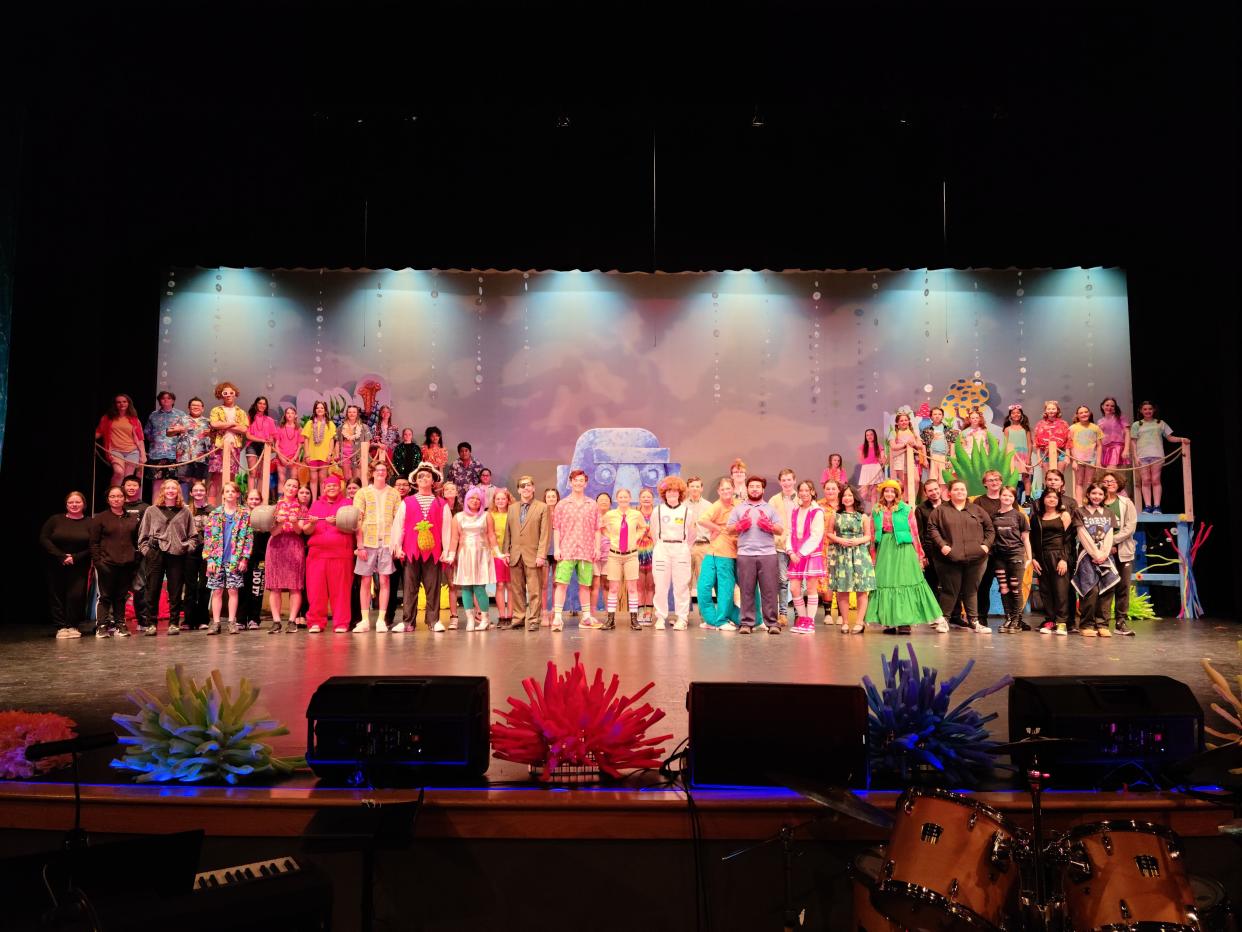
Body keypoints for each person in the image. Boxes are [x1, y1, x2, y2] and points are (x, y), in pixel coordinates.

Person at [866, 480, 945, 633]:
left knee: (905, 581)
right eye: (886, 491)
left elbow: (914, 533)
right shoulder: (877, 509)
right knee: (886, 582)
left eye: (892, 491)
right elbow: (872, 534)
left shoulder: (905, 509)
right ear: (882, 493)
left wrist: (919, 555)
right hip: (885, 549)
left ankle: (905, 622)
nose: (889, 494)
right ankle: (890, 621)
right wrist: (873, 556)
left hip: (903, 548)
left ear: (897, 494)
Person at [391, 465, 454, 633]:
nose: (423, 479)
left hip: (433, 552)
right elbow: (399, 526)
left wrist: (446, 551)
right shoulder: (407, 502)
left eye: (426, 476)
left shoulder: (442, 504)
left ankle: (433, 621)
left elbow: (446, 529)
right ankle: (407, 622)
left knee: (433, 587)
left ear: (433, 481)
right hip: (411, 551)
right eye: (420, 477)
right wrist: (398, 547)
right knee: (410, 588)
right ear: (415, 481)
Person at [927, 479, 995, 634]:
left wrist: (985, 546)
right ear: (949, 493)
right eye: (956, 489)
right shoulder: (940, 511)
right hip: (948, 559)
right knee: (950, 590)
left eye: (962, 489)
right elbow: (932, 529)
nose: (960, 492)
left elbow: (990, 529)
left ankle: (974, 621)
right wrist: (943, 546)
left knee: (971, 590)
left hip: (976, 558)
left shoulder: (976, 510)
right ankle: (944, 620)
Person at [137, 479, 198, 635]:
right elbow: (142, 536)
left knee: (175, 590)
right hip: (155, 553)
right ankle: (151, 624)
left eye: (174, 488)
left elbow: (193, 536)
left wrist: (187, 547)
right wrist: (147, 551)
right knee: (152, 589)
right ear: (162, 491)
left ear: (178, 492)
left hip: (177, 554)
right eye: (167, 488)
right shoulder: (152, 510)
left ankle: (173, 623)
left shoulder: (185, 511)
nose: (171, 491)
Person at [727, 476, 784, 635]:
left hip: (768, 554)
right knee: (746, 590)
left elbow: (780, 529)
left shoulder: (770, 509)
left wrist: (769, 526)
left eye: (757, 486)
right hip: (745, 554)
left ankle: (772, 623)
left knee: (770, 590)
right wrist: (739, 526)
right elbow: (729, 529)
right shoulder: (739, 508)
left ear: (763, 489)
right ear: (747, 489)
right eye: (751, 486)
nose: (754, 489)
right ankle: (746, 623)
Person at [351, 461, 400, 633]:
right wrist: (360, 544)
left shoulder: (394, 493)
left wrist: (396, 545)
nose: (381, 472)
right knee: (365, 579)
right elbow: (357, 519)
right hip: (368, 542)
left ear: (387, 473)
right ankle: (364, 620)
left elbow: (398, 520)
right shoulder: (362, 493)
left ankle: (381, 619)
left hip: (387, 542)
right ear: (372, 473)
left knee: (385, 580)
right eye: (378, 470)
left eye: (384, 470)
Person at [551, 469, 600, 633]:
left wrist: (597, 548)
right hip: (567, 549)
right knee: (562, 583)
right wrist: (557, 548)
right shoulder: (562, 505)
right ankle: (557, 617)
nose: (578, 483)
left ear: (585, 483)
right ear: (570, 482)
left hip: (586, 550)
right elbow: (556, 528)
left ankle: (586, 617)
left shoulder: (592, 504)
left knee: (585, 585)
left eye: (581, 480)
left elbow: (597, 529)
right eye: (575, 480)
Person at [303, 474, 354, 633]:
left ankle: (341, 623)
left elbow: (353, 528)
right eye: (328, 486)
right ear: (324, 488)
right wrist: (311, 523)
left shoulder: (348, 504)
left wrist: (337, 523)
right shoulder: (316, 505)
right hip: (317, 555)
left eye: (334, 485)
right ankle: (316, 622)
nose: (331, 488)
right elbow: (306, 530)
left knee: (341, 591)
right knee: (316, 590)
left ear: (340, 488)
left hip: (340, 554)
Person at [202, 480, 253, 635]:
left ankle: (232, 621)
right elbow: (208, 538)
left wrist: (244, 558)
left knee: (233, 590)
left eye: (233, 491)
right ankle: (216, 622)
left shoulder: (244, 514)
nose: (230, 494)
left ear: (238, 494)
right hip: (217, 559)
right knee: (217, 591)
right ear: (223, 495)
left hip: (234, 559)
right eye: (227, 491)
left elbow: (249, 538)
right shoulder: (215, 514)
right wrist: (209, 559)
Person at [500, 476, 549, 632]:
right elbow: (508, 532)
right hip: (515, 554)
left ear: (533, 488)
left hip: (533, 555)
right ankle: (518, 618)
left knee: (534, 590)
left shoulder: (542, 507)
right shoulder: (512, 508)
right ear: (518, 489)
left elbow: (545, 534)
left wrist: (541, 555)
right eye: (523, 486)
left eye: (529, 485)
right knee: (517, 589)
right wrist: (506, 552)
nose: (526, 488)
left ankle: (534, 619)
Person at [41, 491, 92, 638]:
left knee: (76, 595)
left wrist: (75, 557)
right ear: (66, 504)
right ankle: (61, 627)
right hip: (56, 563)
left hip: (80, 564)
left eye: (77, 502)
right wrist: (61, 556)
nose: (74, 505)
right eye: (71, 502)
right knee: (56, 594)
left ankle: (73, 625)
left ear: (84, 504)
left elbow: (93, 544)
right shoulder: (55, 520)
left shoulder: (90, 522)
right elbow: (44, 539)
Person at [90, 486, 140, 638]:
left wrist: (134, 560)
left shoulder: (131, 518)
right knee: (105, 596)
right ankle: (102, 626)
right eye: (113, 496)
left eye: (119, 496)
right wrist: (99, 562)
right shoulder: (100, 518)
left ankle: (120, 624)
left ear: (124, 498)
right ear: (108, 499)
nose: (116, 499)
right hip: (106, 563)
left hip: (126, 564)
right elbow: (94, 543)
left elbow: (136, 541)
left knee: (121, 596)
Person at [826, 483, 876, 634]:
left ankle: (859, 622)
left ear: (855, 498)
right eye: (845, 496)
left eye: (850, 495)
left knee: (861, 589)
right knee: (842, 589)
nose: (847, 498)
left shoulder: (863, 517)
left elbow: (868, 536)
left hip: (859, 554)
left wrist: (858, 541)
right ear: (841, 499)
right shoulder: (835, 515)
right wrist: (839, 540)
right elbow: (829, 533)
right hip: (841, 554)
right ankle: (845, 622)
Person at [1074, 482, 1121, 636]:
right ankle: (1086, 625)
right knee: (1090, 589)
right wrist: (1095, 554)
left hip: (1104, 555)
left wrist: (1104, 554)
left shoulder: (1108, 513)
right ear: (1088, 494)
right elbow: (1082, 534)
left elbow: (1109, 535)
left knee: (1107, 588)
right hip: (1087, 555)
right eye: (1094, 493)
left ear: (1104, 496)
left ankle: (1102, 625)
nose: (1097, 496)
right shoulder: (1080, 512)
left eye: (1100, 494)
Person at [265, 476, 308, 633]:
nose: (291, 488)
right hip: (276, 547)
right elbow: (273, 532)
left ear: (297, 490)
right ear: (284, 487)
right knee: (275, 586)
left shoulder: (302, 508)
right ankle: (276, 621)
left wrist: (295, 521)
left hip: (294, 546)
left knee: (295, 586)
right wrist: (282, 522)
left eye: (294, 486)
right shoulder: (274, 507)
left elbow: (299, 531)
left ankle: (292, 620)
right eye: (289, 485)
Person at [696, 477, 741, 631]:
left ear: (733, 489)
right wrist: (718, 528)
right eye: (723, 489)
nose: (726, 491)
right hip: (714, 551)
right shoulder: (716, 506)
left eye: (728, 488)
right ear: (718, 491)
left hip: (730, 552)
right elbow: (702, 520)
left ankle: (727, 619)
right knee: (704, 586)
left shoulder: (739, 505)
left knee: (726, 588)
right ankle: (713, 620)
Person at [452, 486, 498, 631]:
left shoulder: (486, 516)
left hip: (481, 553)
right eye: (472, 498)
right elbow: (455, 538)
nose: (475, 501)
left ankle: (484, 619)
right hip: (465, 553)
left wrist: (497, 551)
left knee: (479, 587)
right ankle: (470, 620)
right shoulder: (458, 517)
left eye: (478, 499)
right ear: (466, 500)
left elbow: (491, 535)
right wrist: (450, 555)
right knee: (466, 587)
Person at [651, 475, 693, 631]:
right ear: (664, 494)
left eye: (675, 491)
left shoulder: (687, 511)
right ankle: (661, 617)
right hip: (662, 549)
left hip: (681, 549)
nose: (672, 494)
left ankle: (682, 618)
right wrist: (661, 546)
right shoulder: (658, 510)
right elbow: (653, 532)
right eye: (668, 492)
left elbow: (692, 533)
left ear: (680, 493)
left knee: (681, 586)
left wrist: (684, 547)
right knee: (661, 585)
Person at [1130, 400, 1188, 513]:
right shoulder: (1136, 425)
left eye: (1150, 409)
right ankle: (1147, 506)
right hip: (1142, 456)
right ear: (1141, 411)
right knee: (1145, 480)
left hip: (1157, 455)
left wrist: (1182, 439)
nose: (1148, 411)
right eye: (1145, 409)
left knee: (1156, 480)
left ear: (1154, 410)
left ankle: (1157, 506)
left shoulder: (1160, 423)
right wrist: (1135, 457)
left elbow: (1170, 438)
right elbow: (1133, 442)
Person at [990, 486, 1033, 633]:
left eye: (1010, 496)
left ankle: (1017, 619)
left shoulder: (1019, 516)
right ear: (1000, 497)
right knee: (1004, 588)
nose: (1007, 498)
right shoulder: (994, 516)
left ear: (1014, 498)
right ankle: (1008, 618)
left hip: (1016, 555)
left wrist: (1030, 557)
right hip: (999, 557)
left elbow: (1026, 539)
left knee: (1015, 588)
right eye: (1005, 495)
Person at [1030, 488, 1074, 635]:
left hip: (1059, 555)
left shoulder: (1064, 515)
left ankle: (1062, 622)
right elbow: (1033, 539)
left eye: (1055, 497)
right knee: (1045, 590)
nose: (1052, 500)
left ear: (1058, 500)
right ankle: (1050, 620)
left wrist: (1064, 559)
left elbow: (1068, 539)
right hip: (1042, 557)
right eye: (1048, 497)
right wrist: (1034, 558)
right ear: (1043, 499)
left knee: (1061, 591)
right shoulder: (1036, 517)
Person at [1099, 471, 1137, 636]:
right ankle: (1102, 623)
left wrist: (1113, 541)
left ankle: (1121, 622)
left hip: (1123, 551)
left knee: (1123, 587)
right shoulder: (1097, 502)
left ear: (1118, 484)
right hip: (1102, 552)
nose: (1109, 484)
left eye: (1112, 481)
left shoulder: (1126, 502)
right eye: (1106, 481)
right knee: (1106, 587)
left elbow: (1130, 527)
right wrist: (1106, 545)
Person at [788, 479, 828, 634]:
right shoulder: (795, 510)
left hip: (810, 553)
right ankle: (802, 619)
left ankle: (810, 622)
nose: (804, 493)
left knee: (811, 587)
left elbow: (816, 535)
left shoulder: (817, 511)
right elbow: (790, 532)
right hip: (796, 554)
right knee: (794, 588)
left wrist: (801, 553)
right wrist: (790, 551)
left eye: (807, 490)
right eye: (801, 490)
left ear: (812, 492)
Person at [208, 382, 250, 504]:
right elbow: (214, 424)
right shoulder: (216, 410)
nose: (228, 395)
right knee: (215, 477)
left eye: (231, 393)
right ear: (221, 395)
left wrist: (225, 426)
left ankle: (230, 505)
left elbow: (244, 429)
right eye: (225, 393)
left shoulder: (241, 412)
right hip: (218, 446)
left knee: (231, 477)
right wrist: (233, 424)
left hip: (234, 447)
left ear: (235, 394)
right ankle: (211, 507)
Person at [182, 480, 214, 631]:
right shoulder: (186, 510)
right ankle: (188, 619)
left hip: (207, 553)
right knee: (190, 586)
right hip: (190, 552)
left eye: (201, 490)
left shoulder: (212, 511)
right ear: (191, 493)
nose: (199, 493)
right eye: (196, 490)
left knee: (204, 586)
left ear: (205, 492)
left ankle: (203, 619)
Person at [96, 394, 146, 487]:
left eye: (124, 401)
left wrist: (143, 455)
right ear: (115, 404)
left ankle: (125, 500)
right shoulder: (107, 418)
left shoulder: (134, 419)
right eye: (118, 402)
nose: (121, 404)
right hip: (115, 451)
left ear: (128, 403)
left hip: (132, 452)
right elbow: (99, 432)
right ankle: (113, 495)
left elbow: (140, 439)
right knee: (119, 473)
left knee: (128, 478)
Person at [769, 468, 799, 626]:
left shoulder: (801, 497)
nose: (787, 483)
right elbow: (769, 521)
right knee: (782, 580)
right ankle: (782, 614)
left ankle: (799, 613)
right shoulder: (774, 500)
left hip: (797, 547)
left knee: (797, 580)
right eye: (784, 480)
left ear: (794, 480)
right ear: (780, 482)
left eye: (789, 479)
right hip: (780, 546)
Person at [144, 391, 185, 500]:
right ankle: (156, 509)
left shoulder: (180, 415)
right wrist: (156, 442)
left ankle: (173, 507)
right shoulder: (153, 415)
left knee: (173, 483)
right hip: (156, 454)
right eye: (163, 398)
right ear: (159, 401)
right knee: (157, 481)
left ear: (173, 401)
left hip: (174, 453)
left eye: (169, 398)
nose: (166, 400)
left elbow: (186, 432)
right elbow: (147, 432)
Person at [120, 476, 150, 624]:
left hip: (140, 554)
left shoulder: (145, 508)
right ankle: (115, 621)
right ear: (123, 487)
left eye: (134, 485)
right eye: (128, 485)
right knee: (119, 588)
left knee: (141, 587)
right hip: (119, 553)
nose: (131, 488)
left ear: (139, 488)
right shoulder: (117, 506)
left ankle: (143, 621)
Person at [169, 397, 212, 500]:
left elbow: (215, 437)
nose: (196, 407)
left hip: (202, 456)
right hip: (184, 456)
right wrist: (177, 429)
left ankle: (197, 508)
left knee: (198, 482)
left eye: (198, 406)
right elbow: (168, 432)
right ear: (189, 407)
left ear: (202, 408)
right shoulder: (181, 419)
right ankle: (183, 506)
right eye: (193, 405)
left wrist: (211, 433)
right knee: (184, 480)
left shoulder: (208, 421)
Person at [238, 488, 269, 630]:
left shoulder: (266, 516)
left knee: (257, 589)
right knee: (242, 588)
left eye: (257, 499)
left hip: (260, 558)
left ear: (261, 501)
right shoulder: (241, 516)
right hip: (243, 559)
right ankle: (241, 619)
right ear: (246, 500)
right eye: (251, 499)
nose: (254, 501)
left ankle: (254, 619)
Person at [383, 476, 412, 629]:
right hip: (391, 549)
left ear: (409, 487)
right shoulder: (388, 503)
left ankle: (409, 619)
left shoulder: (412, 502)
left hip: (409, 549)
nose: (401, 487)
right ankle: (388, 618)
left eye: (405, 485)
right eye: (398, 485)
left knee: (409, 586)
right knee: (391, 584)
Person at [816, 479, 843, 627]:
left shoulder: (845, 504)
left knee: (840, 578)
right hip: (824, 547)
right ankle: (827, 614)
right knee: (826, 579)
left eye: (833, 489)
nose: (830, 491)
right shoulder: (818, 506)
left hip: (841, 546)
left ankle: (840, 613)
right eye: (828, 489)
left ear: (838, 490)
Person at [684, 477, 712, 617]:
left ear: (701, 488)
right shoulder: (681, 505)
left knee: (703, 583)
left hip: (703, 546)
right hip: (686, 547)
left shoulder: (709, 506)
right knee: (684, 582)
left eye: (697, 486)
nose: (694, 489)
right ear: (688, 488)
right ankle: (683, 616)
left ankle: (705, 616)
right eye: (692, 486)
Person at [1032, 400, 1070, 497]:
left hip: (1060, 453)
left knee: (1059, 475)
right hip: (1045, 453)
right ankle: (1049, 497)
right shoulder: (1040, 424)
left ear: (1057, 410)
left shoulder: (1063, 424)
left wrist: (1067, 456)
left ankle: (1061, 497)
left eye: (1053, 408)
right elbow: (1037, 443)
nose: (1051, 410)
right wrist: (1039, 457)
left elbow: (1068, 441)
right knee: (1048, 476)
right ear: (1045, 410)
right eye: (1049, 409)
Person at [585, 491, 613, 626]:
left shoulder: (614, 517)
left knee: (607, 585)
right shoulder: (591, 517)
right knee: (594, 585)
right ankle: (592, 614)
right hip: (594, 555)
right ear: (596, 502)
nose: (603, 501)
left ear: (610, 503)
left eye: (606, 500)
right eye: (600, 499)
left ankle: (610, 615)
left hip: (610, 554)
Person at [1068, 405, 1104, 505]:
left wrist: (1098, 461)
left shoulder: (1095, 427)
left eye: (1086, 412)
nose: (1084, 414)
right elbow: (1070, 445)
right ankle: (1079, 505)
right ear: (1077, 415)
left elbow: (1099, 446)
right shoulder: (1072, 428)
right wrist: (1074, 460)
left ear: (1089, 413)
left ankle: (1087, 503)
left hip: (1091, 459)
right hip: (1078, 459)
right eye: (1081, 413)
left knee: (1089, 483)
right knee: (1079, 482)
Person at [301, 400, 337, 501]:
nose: (319, 410)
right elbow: (306, 439)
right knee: (313, 479)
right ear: (315, 410)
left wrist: (330, 454)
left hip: (324, 455)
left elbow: (331, 440)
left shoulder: (330, 424)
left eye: (322, 408)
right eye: (317, 408)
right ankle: (313, 502)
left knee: (323, 479)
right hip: (312, 455)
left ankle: (322, 500)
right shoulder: (310, 423)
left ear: (325, 410)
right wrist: (307, 454)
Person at [489, 487, 514, 627]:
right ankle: (502, 616)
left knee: (510, 585)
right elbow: (489, 534)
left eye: (503, 498)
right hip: (496, 553)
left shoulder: (512, 513)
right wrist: (497, 552)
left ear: (508, 500)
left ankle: (510, 615)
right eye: (497, 499)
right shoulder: (490, 515)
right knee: (499, 585)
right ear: (494, 501)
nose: (500, 501)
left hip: (510, 553)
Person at [244, 396, 278, 495]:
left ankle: (259, 497)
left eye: (264, 404)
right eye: (260, 403)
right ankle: (250, 497)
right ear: (256, 404)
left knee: (262, 474)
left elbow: (273, 435)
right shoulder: (249, 417)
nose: (262, 405)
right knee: (253, 472)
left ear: (266, 406)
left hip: (265, 447)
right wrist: (261, 439)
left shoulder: (270, 420)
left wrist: (270, 440)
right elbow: (248, 435)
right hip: (252, 445)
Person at [440, 480, 463, 626]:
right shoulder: (439, 507)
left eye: (452, 489)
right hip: (445, 551)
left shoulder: (462, 509)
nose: (449, 491)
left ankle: (477, 615)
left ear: (456, 492)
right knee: (452, 584)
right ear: (443, 492)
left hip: (462, 550)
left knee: (469, 584)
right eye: (446, 489)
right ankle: (453, 616)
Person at [888, 411, 927, 497]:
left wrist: (914, 444)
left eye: (906, 420)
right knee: (905, 482)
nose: (904, 422)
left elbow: (920, 445)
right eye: (901, 420)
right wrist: (906, 444)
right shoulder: (894, 433)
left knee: (916, 480)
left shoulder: (913, 432)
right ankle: (906, 501)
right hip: (899, 459)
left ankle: (912, 499)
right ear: (897, 422)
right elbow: (893, 446)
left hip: (910, 459)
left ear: (909, 421)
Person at [920, 408, 959, 485]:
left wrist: (951, 458)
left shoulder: (948, 429)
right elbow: (923, 445)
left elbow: (952, 444)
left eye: (939, 414)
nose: (937, 416)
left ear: (942, 416)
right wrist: (925, 459)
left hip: (944, 457)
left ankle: (944, 497)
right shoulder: (926, 430)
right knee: (932, 480)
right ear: (931, 417)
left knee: (944, 480)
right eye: (935, 414)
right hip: (932, 457)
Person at [635, 487, 657, 625]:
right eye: (643, 497)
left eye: (648, 497)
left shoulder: (657, 513)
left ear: (653, 499)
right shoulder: (634, 514)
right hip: (637, 552)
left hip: (654, 552)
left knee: (650, 585)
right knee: (638, 586)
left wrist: (649, 534)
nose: (646, 499)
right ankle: (639, 613)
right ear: (639, 499)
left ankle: (648, 613)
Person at [1002, 405, 1033, 501]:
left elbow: (1030, 444)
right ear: (1010, 416)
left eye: (1018, 412)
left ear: (1021, 414)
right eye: (1013, 413)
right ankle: (1012, 498)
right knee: (1012, 477)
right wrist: (1005, 459)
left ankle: (1027, 499)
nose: (1016, 414)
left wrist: (1029, 457)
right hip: (1012, 456)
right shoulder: (1007, 429)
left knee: (1026, 477)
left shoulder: (1026, 428)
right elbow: (1005, 445)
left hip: (1023, 455)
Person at [338, 404, 372, 486]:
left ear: (357, 414)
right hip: (345, 455)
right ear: (347, 413)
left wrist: (363, 456)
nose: (352, 414)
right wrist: (337, 454)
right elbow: (337, 442)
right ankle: (348, 497)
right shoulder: (341, 427)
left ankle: (357, 497)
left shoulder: (364, 427)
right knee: (347, 478)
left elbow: (368, 442)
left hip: (358, 454)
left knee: (357, 479)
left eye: (354, 412)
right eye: (349, 412)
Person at [273, 406, 303, 489]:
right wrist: (281, 458)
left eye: (292, 413)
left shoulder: (299, 429)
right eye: (288, 413)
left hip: (294, 458)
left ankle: (293, 500)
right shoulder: (280, 428)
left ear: (295, 415)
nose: (290, 415)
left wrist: (294, 458)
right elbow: (276, 445)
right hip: (281, 457)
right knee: (282, 479)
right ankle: (280, 500)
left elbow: (300, 445)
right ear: (285, 415)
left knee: (294, 480)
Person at [1098, 397, 1132, 471]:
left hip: (1116, 448)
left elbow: (1127, 433)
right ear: (1102, 406)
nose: (1109, 407)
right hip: (1105, 450)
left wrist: (1126, 449)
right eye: (1107, 405)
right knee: (1110, 475)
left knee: (1111, 472)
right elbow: (1099, 440)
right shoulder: (1100, 421)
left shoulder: (1120, 418)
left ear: (1115, 407)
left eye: (1112, 406)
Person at [857, 428, 886, 508]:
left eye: (871, 434)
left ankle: (873, 513)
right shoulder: (862, 447)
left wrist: (882, 459)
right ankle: (859, 509)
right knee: (864, 493)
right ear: (865, 437)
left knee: (874, 493)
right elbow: (861, 460)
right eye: (867, 435)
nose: (869, 436)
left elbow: (883, 459)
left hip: (876, 468)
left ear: (874, 436)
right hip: (866, 469)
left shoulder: (879, 447)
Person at [372, 405, 399, 470]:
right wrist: (379, 445)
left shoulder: (394, 428)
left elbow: (397, 442)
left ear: (390, 414)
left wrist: (389, 446)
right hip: (377, 452)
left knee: (387, 472)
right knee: (376, 470)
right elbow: (370, 442)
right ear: (380, 414)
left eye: (388, 412)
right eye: (383, 412)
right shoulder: (375, 427)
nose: (385, 414)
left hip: (389, 453)